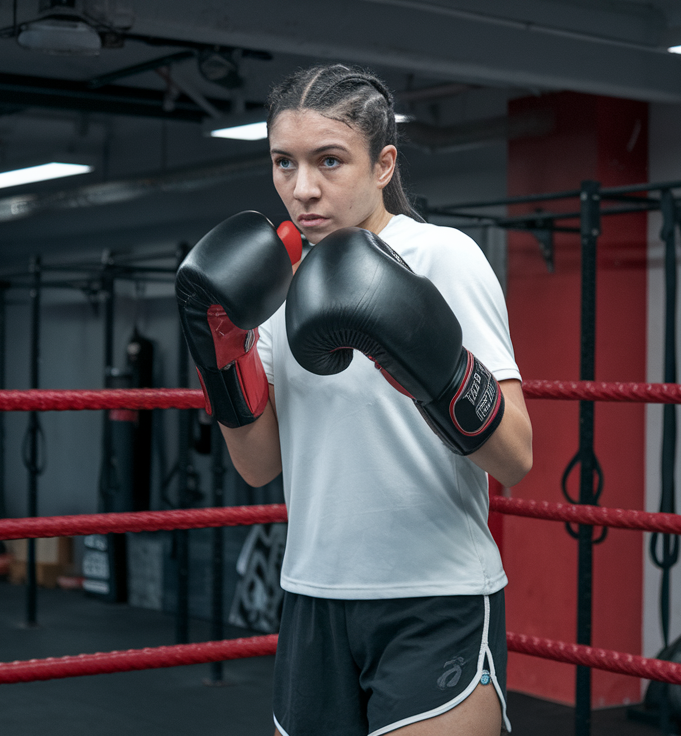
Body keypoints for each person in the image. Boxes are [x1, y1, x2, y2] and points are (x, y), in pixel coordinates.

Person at [176, 64, 532, 736]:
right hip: (313, 597)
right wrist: (225, 357)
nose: (302, 188)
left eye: (329, 161)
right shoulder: (276, 289)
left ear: (382, 164)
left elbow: (515, 458)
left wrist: (435, 368)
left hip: (435, 597)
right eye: (284, 163)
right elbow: (257, 466)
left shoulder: (440, 258)